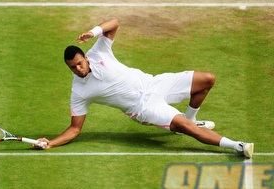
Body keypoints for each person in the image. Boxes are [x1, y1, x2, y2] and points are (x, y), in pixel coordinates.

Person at [34, 18, 253, 158]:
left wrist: (92, 32)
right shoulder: (79, 92)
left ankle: (192, 118)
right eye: (72, 68)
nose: (78, 70)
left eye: (79, 64)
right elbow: (75, 129)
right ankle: (238, 146)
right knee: (187, 128)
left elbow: (115, 22)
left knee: (207, 79)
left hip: (154, 83)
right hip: (144, 107)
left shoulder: (98, 51)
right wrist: (50, 143)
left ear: (85, 57)